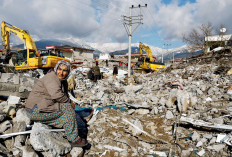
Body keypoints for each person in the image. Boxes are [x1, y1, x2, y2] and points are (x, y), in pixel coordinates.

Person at [25, 60, 88, 147]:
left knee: (68, 111)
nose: (61, 73)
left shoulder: (62, 81)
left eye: (64, 70)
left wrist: (70, 103)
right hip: (35, 110)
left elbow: (64, 95)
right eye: (59, 69)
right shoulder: (51, 78)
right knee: (67, 108)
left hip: (43, 107)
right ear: (56, 69)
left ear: (68, 72)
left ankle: (68, 128)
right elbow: (57, 95)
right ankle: (73, 139)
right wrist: (70, 103)